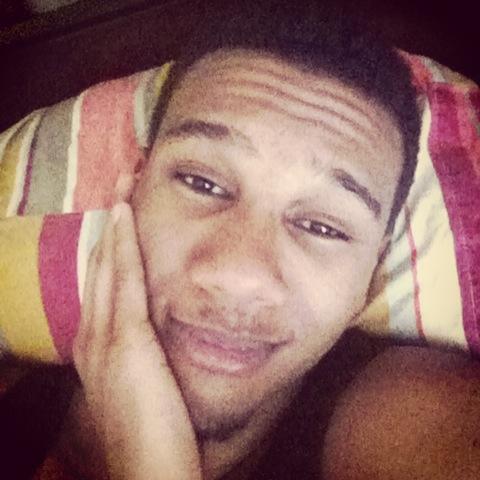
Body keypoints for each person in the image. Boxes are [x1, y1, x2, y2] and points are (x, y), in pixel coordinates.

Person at [7, 6, 480, 480]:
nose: (240, 275)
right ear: (132, 192)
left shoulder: (410, 420)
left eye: (323, 227)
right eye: (202, 183)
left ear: (371, 273)